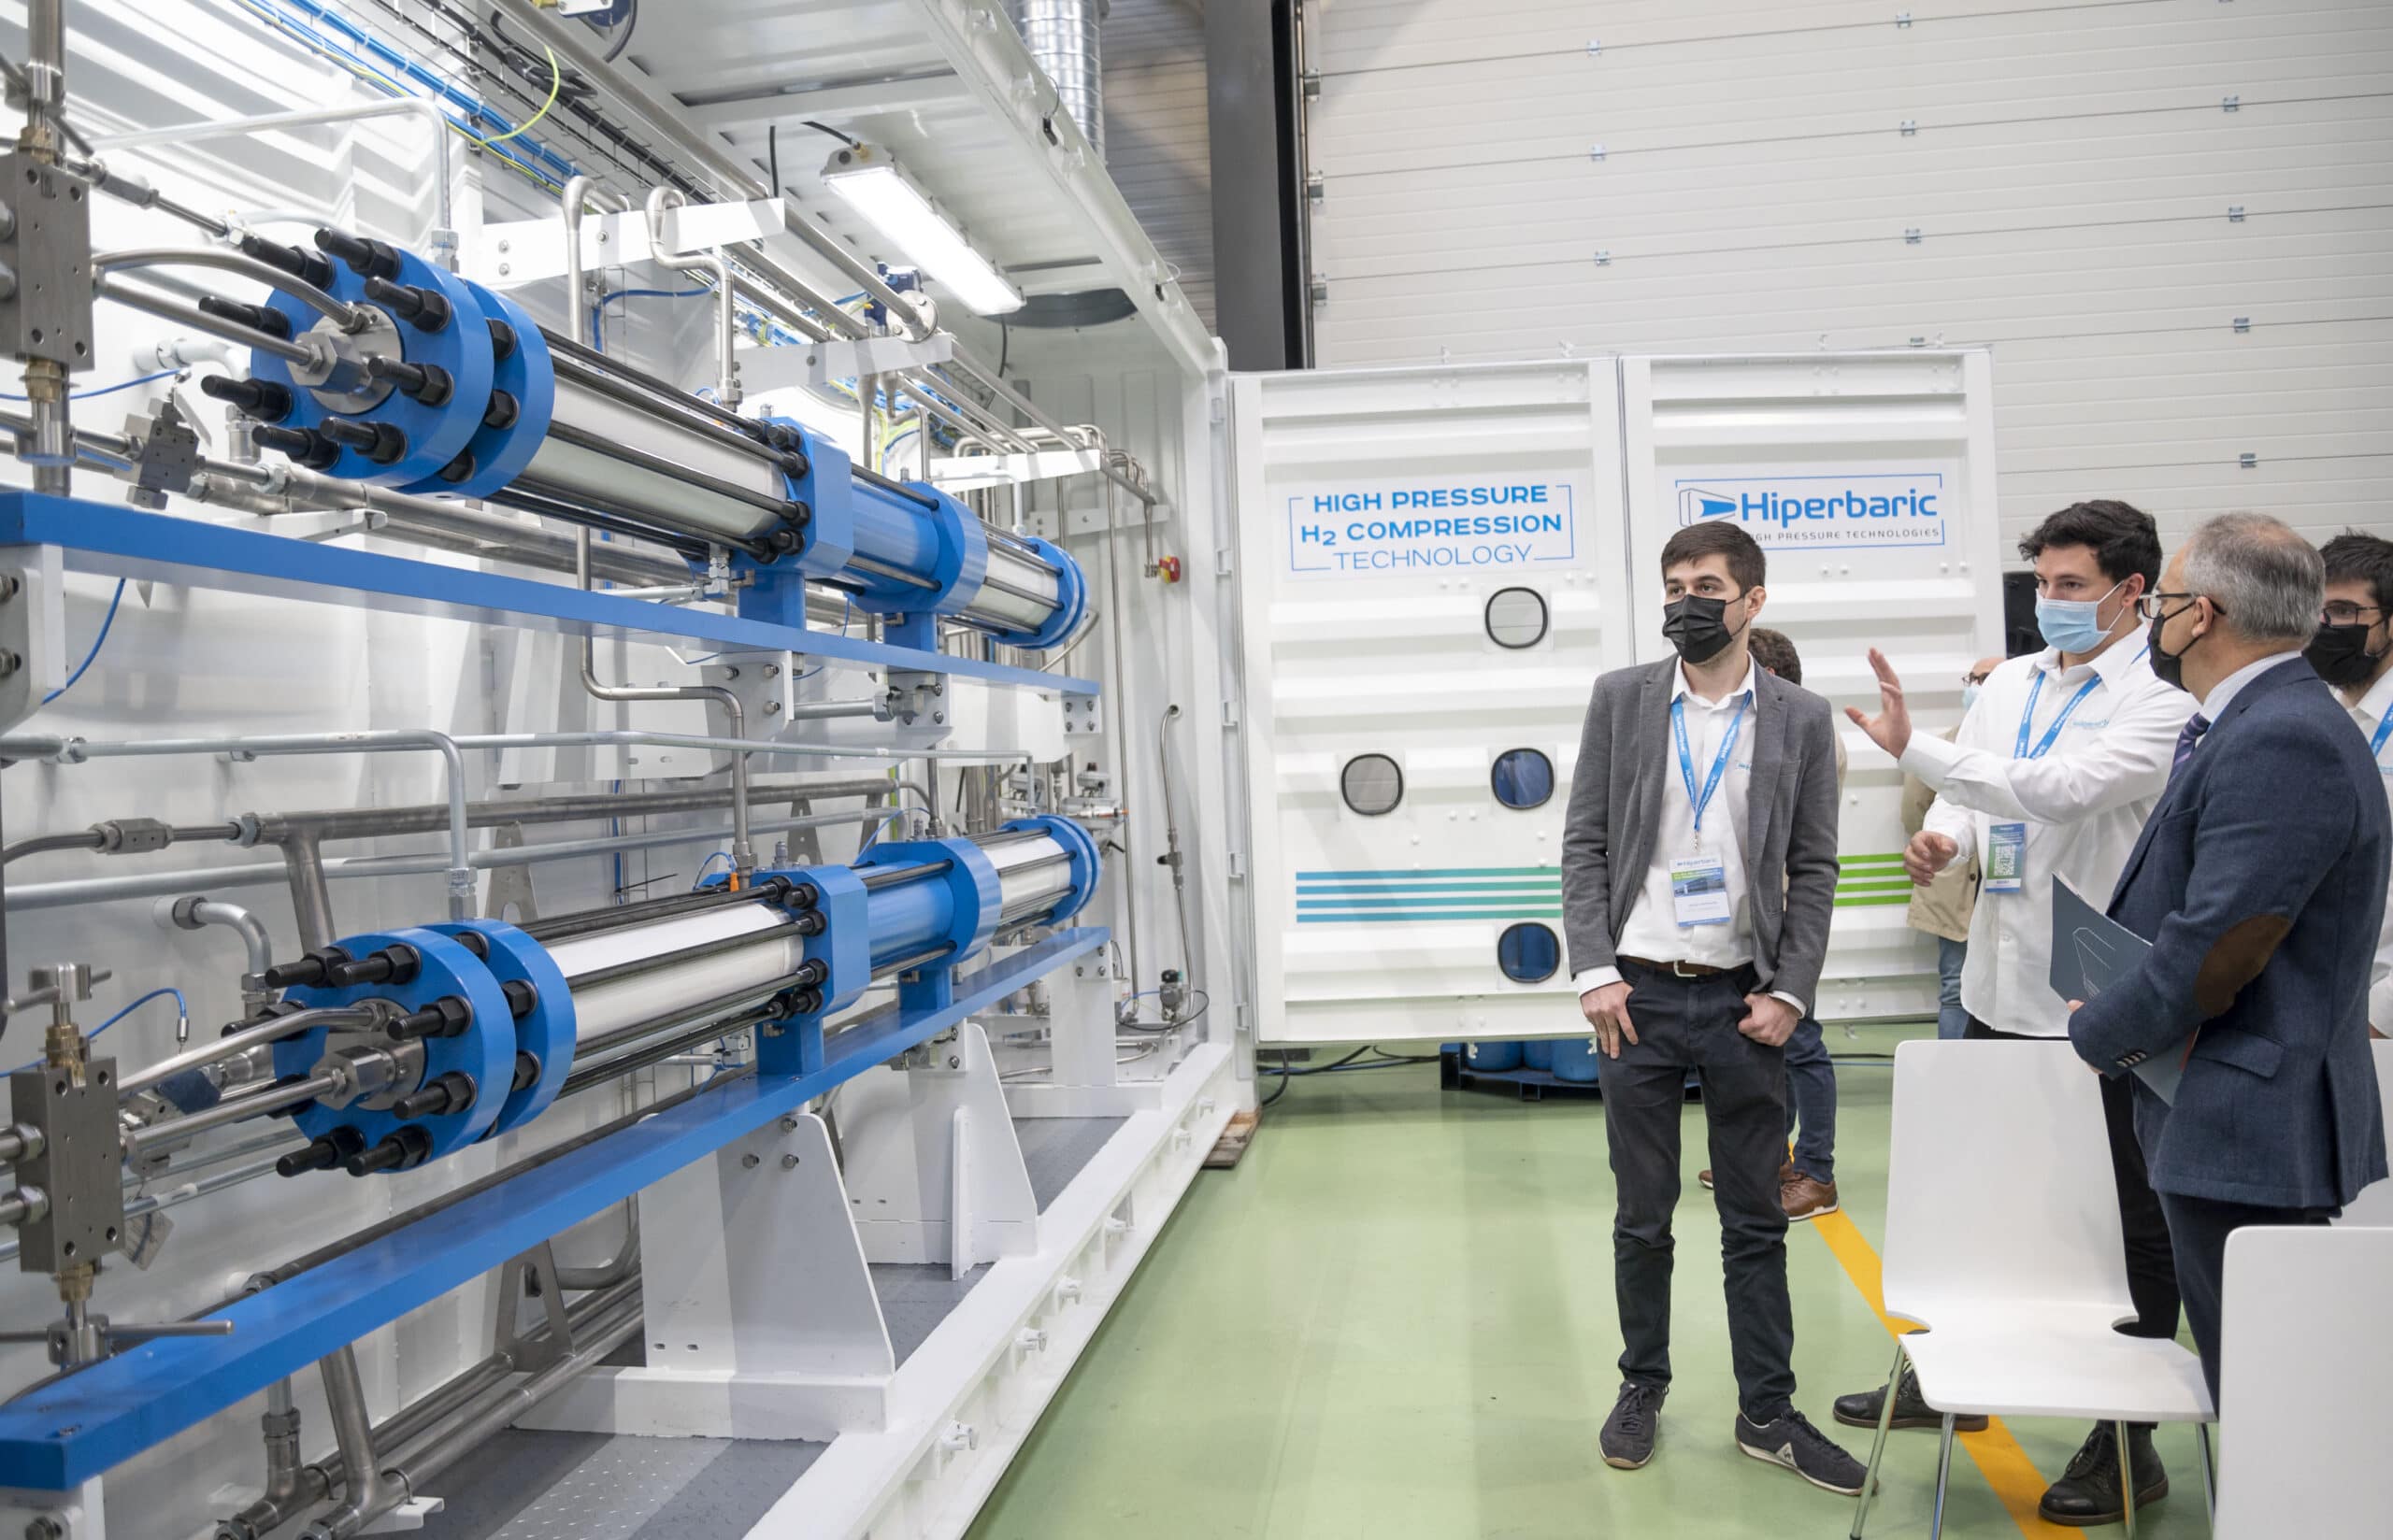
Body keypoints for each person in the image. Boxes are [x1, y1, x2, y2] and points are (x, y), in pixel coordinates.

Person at [1839, 499, 2196, 1525]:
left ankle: (2127, 1439)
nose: (2050, 601)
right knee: (1984, 1200)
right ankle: (1958, 1376)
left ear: (2132, 590)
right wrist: (1944, 835)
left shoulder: (2161, 701)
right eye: (2041, 583)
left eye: (2071, 584)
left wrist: (1918, 753)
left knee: (2124, 1220)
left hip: (2099, 1003)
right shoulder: (2014, 684)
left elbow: (2062, 789)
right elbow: (1977, 795)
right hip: (1997, 986)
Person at [1561, 522, 1864, 1493]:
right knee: (1642, 1216)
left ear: (1752, 601)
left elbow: (1814, 864)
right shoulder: (1621, 699)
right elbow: (1584, 842)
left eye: (1705, 586)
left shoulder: (1800, 717)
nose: (1684, 602)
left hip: (1744, 1003)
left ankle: (1766, 1412)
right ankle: (1640, 1386)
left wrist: (1790, 991)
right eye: (1673, 585)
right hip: (1636, 999)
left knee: (1755, 1221)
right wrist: (1593, 969)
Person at [2069, 513, 2389, 1403]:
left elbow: (2221, 946)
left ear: (2201, 614)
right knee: (2259, 1384)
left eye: (2160, 604)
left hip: (2247, 1118)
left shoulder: (2281, 735)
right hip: (2228, 1110)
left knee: (2264, 1396)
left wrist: (2104, 1029)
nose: (2153, 625)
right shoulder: (2260, 720)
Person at [1698, 626, 1841, 1221]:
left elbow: (1803, 851)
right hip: (1744, 918)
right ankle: (1771, 1157)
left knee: (1801, 1043)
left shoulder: (1809, 737)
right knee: (1765, 1045)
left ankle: (1816, 1171)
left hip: (1783, 917)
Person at [2307, 531, 2393, 1039]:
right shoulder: (2323, 713)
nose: (2324, 626)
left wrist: (2379, 1016)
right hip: (2319, 1004)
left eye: (2343, 611)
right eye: (2315, 611)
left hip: (2376, 1018)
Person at [1901, 655, 2004, 1040]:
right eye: (1972, 678)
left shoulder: (2021, 741)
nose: (1976, 686)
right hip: (1955, 887)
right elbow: (1914, 807)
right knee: (1955, 988)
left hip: (2005, 881)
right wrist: (1942, 842)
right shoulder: (1943, 744)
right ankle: (1953, 1070)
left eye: (1987, 678)